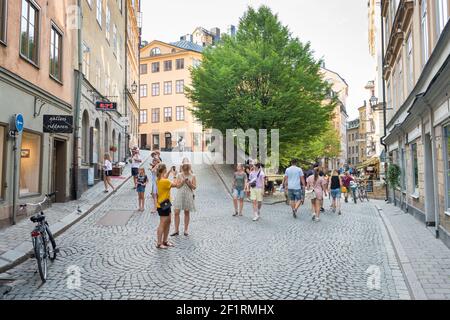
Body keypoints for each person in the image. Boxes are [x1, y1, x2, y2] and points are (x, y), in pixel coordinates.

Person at [155, 164, 180, 249]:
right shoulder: (165, 182)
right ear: (163, 170)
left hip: (166, 203)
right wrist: (175, 175)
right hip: (162, 204)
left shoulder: (159, 179)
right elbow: (176, 184)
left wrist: (169, 171)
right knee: (162, 224)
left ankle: (165, 241)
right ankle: (159, 243)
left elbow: (165, 177)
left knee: (168, 221)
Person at [172, 159, 197, 237]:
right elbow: (177, 186)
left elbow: (194, 187)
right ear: (182, 166)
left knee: (186, 212)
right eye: (184, 166)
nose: (185, 167)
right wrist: (183, 182)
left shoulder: (193, 176)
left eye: (187, 166)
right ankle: (176, 230)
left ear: (189, 167)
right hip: (180, 194)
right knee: (176, 212)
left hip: (188, 194)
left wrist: (189, 183)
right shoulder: (179, 175)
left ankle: (186, 230)